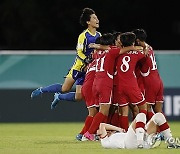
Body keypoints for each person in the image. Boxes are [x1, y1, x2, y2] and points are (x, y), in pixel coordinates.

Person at [30, 8, 101, 109]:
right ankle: (42, 90)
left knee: (79, 97)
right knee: (65, 88)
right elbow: (79, 52)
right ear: (88, 22)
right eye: (94, 18)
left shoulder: (99, 35)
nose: (97, 20)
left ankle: (59, 97)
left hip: (89, 70)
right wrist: (86, 60)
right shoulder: (83, 36)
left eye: (97, 17)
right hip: (78, 68)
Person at [83, 33, 143, 141]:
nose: (117, 42)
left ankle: (100, 132)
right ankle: (89, 134)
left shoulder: (97, 53)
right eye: (115, 40)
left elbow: (103, 49)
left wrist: (97, 46)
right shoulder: (113, 51)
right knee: (105, 111)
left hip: (95, 83)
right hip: (106, 83)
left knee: (103, 111)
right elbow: (128, 48)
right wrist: (136, 46)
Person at [115, 32, 148, 132]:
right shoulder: (137, 53)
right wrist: (144, 47)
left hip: (120, 86)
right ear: (133, 42)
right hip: (131, 85)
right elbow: (145, 53)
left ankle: (125, 133)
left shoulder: (117, 53)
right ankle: (140, 130)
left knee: (123, 112)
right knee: (143, 108)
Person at [132, 28, 164, 121]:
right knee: (158, 111)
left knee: (146, 109)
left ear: (137, 40)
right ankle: (165, 133)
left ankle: (150, 132)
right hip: (158, 80)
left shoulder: (141, 52)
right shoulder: (149, 47)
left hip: (149, 82)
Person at [98, 112, 180, 149]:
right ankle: (140, 143)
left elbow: (103, 126)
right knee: (141, 115)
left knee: (159, 116)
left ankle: (171, 143)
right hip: (129, 144)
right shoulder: (104, 141)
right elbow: (102, 125)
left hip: (144, 142)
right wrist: (118, 129)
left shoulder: (116, 136)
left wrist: (117, 131)